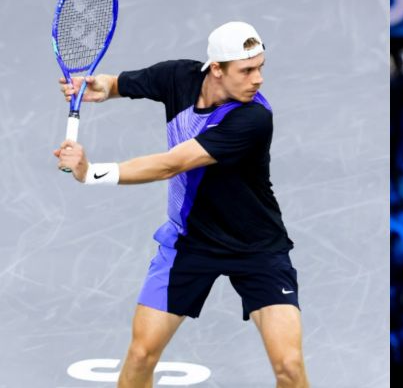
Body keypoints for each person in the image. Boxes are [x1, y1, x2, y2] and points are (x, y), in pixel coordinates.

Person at [54, 21, 309, 388]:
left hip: (257, 248)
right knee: (141, 355)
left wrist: (91, 172)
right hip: (190, 243)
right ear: (216, 69)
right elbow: (119, 84)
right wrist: (99, 87)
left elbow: (171, 164)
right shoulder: (178, 77)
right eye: (247, 70)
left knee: (289, 366)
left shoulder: (254, 118)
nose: (258, 79)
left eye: (260, 67)